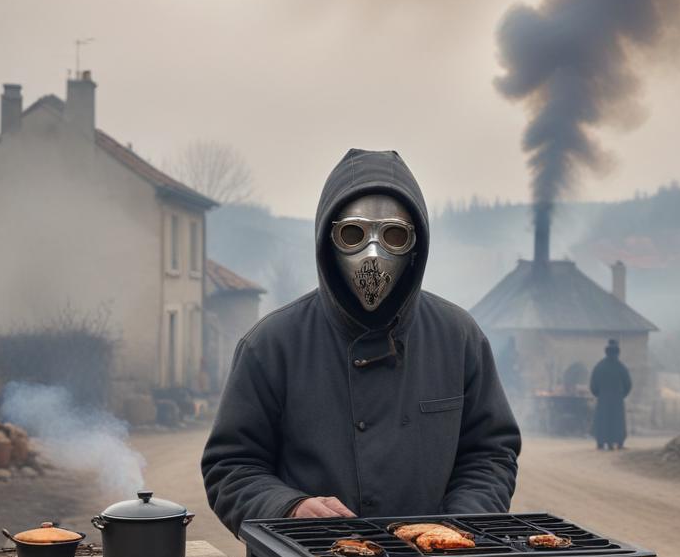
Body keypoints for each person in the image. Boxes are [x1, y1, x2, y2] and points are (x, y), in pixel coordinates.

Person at [200, 149, 521, 532]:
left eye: (393, 235)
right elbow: (231, 466)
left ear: (415, 244)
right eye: (352, 234)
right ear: (327, 241)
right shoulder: (271, 344)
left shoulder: (458, 337)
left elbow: (489, 454)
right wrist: (288, 508)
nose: (373, 253)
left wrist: (459, 524)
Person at [590, 338, 632, 450]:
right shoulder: (621, 368)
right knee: (617, 422)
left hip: (603, 399)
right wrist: (621, 395)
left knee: (603, 421)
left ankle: (600, 442)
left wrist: (600, 395)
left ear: (606, 352)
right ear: (617, 352)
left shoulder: (599, 367)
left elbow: (593, 386)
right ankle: (618, 442)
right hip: (617, 399)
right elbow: (628, 384)